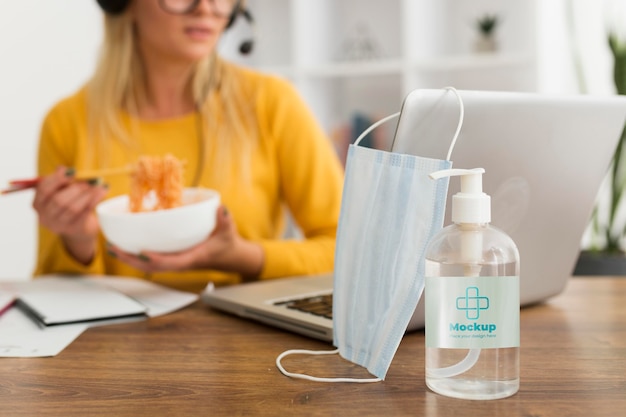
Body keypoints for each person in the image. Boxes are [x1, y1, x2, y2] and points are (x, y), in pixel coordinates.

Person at [32, 0, 344, 293]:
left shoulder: (271, 103)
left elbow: (348, 250)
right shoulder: (67, 122)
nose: (206, 8)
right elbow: (51, 293)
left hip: (245, 337)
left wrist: (243, 256)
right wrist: (77, 242)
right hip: (119, 341)